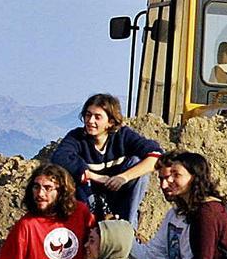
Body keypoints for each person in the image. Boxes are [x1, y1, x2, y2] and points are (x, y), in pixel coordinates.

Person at [51, 94, 163, 227]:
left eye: (97, 117)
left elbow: (157, 157)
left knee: (136, 162)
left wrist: (123, 177)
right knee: (71, 170)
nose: (90, 121)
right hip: (88, 196)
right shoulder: (77, 137)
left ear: (110, 122)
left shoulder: (123, 136)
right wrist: (94, 176)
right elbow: (59, 157)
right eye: (88, 115)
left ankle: (128, 228)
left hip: (119, 196)